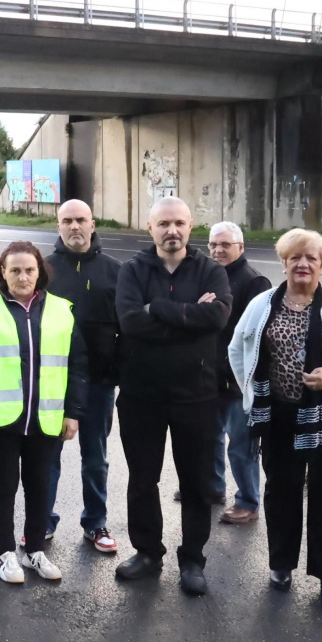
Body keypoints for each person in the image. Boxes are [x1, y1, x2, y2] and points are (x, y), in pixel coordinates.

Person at [229, 228, 322, 609]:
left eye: (311, 257)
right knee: (282, 489)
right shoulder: (263, 303)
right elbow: (237, 346)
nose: (303, 264)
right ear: (284, 263)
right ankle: (280, 564)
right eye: (295, 257)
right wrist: (250, 393)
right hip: (277, 415)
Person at [113, 197, 231, 596]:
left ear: (191, 225)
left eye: (179, 222)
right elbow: (130, 322)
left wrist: (157, 309)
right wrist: (186, 317)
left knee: (196, 483)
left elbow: (215, 318)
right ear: (150, 227)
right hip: (140, 395)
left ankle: (193, 560)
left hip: (195, 396)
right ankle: (148, 552)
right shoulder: (132, 270)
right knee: (142, 479)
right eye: (164, 223)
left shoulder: (210, 270)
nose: (172, 231)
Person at [0, 241, 87, 583]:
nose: (23, 276)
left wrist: (72, 412)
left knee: (40, 485)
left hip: (46, 418)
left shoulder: (61, 310)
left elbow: (77, 365)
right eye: (14, 270)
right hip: (1, 419)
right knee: (4, 486)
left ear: (39, 272)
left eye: (29, 270)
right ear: (2, 272)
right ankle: (5, 553)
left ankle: (33, 550)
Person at [43, 199, 121, 552]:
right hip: (51, 382)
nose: (74, 227)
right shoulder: (43, 270)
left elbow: (128, 325)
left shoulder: (115, 271)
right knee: (47, 458)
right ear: (58, 226)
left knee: (95, 458)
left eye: (81, 220)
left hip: (99, 383)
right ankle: (42, 520)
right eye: (67, 221)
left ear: (93, 224)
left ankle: (96, 523)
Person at [207, 222, 271, 525]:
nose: (218, 250)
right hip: (209, 375)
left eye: (225, 245)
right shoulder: (208, 276)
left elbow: (254, 333)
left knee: (242, 446)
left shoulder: (254, 282)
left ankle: (248, 501)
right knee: (210, 438)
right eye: (213, 245)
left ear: (240, 247)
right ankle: (214, 488)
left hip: (239, 379)